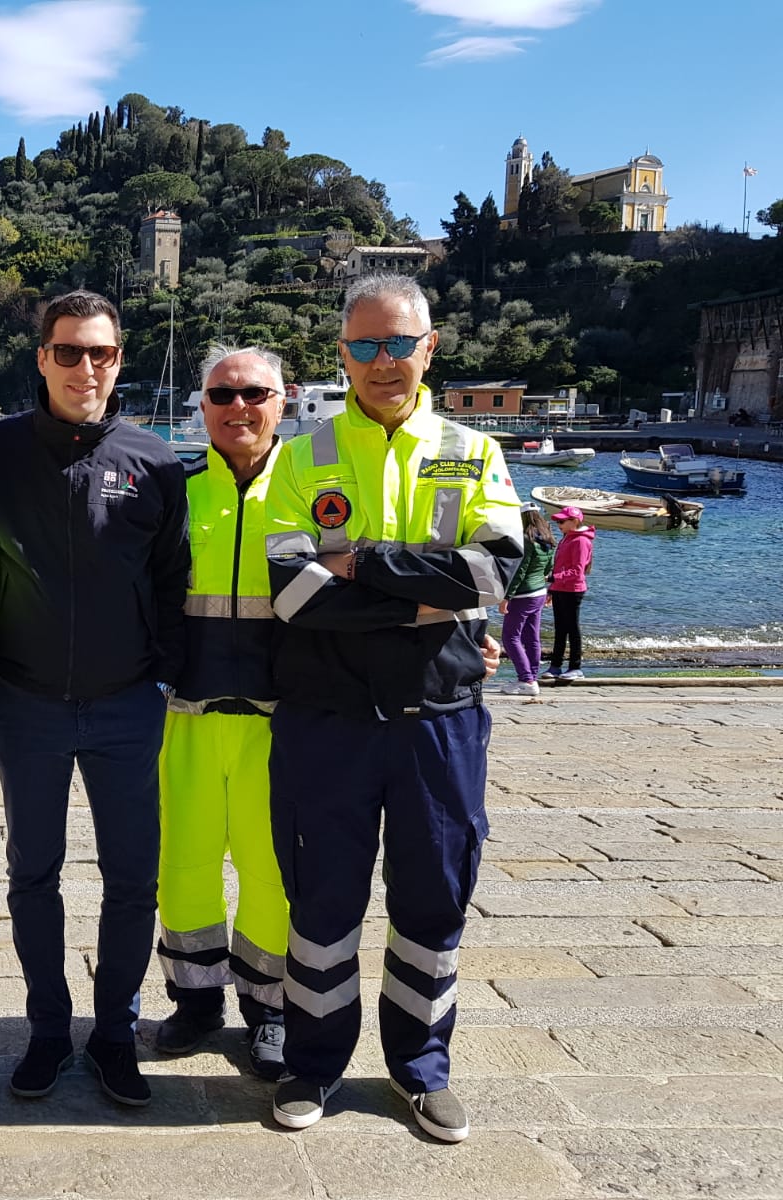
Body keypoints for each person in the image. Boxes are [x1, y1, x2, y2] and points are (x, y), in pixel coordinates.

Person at [263, 275, 522, 1144]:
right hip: (325, 723)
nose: (383, 362)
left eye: (398, 343)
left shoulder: (473, 451)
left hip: (437, 719)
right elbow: (291, 595)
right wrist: (425, 593)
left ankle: (421, 1068)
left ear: (430, 347)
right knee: (322, 905)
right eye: (365, 346)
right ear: (342, 354)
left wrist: (361, 561)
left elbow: (493, 574)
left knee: (434, 900)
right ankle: (313, 1065)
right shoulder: (300, 456)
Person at [0, 290, 190, 1108]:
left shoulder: (156, 461)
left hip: (130, 704)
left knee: (134, 879)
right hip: (26, 704)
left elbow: (173, 580)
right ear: (42, 358)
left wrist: (162, 673)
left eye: (99, 352)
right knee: (34, 873)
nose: (84, 367)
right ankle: (49, 1030)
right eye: (68, 351)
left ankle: (115, 1034)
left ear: (119, 359)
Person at [153, 344, 289, 1079]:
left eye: (254, 394)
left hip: (279, 719)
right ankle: (195, 1000)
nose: (239, 407)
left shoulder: (307, 488)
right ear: (201, 405)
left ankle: (269, 1010)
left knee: (271, 873)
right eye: (222, 395)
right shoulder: (173, 489)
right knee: (186, 867)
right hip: (189, 715)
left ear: (283, 399)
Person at [499, 504, 556, 697]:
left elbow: (520, 572)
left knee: (510, 637)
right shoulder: (547, 539)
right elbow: (549, 568)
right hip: (539, 592)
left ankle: (526, 679)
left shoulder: (526, 540)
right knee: (532, 637)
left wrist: (506, 596)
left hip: (523, 595)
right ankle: (531, 677)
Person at [545, 505, 594, 682]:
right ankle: (555, 665)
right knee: (560, 629)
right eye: (557, 521)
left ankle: (575, 667)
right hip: (559, 588)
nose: (559, 525)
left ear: (574, 521)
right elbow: (560, 564)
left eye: (562, 521)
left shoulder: (581, 541)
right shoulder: (567, 538)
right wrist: (552, 588)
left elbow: (577, 571)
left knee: (572, 628)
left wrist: (553, 577)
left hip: (573, 590)